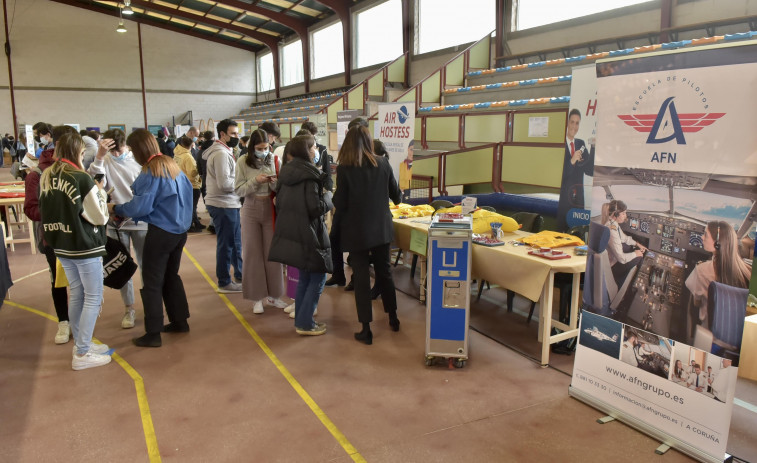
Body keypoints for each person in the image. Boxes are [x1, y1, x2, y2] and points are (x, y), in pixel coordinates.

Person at [111, 129, 193, 347]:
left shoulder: (151, 171)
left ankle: (153, 333)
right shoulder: (171, 165)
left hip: (161, 232)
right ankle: (179, 320)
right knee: (171, 275)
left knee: (152, 281)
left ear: (137, 150)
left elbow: (140, 206)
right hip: (179, 231)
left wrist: (116, 207)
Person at [38, 131, 111, 370]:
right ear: (79, 152)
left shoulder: (47, 175)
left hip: (61, 244)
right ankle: (82, 352)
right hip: (84, 244)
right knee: (93, 297)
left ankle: (83, 343)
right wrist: (100, 191)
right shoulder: (80, 177)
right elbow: (98, 216)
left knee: (77, 294)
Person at [333, 126, 402, 345]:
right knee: (385, 272)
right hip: (381, 228)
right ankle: (393, 318)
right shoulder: (383, 163)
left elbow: (340, 203)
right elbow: (397, 196)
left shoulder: (345, 169)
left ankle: (366, 329)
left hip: (356, 230)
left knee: (361, 277)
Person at [269, 134, 333, 335]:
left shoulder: (287, 172)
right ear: (306, 150)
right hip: (309, 232)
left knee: (306, 275)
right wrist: (329, 197)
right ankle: (305, 323)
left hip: (293, 231)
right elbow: (315, 208)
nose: (316, 151)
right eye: (313, 148)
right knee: (318, 276)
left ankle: (301, 320)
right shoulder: (311, 175)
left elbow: (279, 203)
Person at [87, 128, 148, 329]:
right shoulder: (104, 160)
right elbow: (92, 180)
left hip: (139, 221)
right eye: (112, 151)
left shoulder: (138, 162)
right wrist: (100, 156)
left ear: (126, 146)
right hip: (115, 222)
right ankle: (129, 308)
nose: (116, 154)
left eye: (119, 150)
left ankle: (150, 305)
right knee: (121, 265)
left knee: (145, 265)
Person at [24, 125, 73, 344]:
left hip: (79, 237)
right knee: (58, 279)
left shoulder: (78, 169)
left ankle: (81, 323)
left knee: (83, 283)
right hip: (53, 237)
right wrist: (56, 209)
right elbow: (31, 209)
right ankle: (64, 321)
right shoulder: (37, 174)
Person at [234, 129, 286, 313]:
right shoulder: (242, 162)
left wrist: (272, 181)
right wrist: (255, 180)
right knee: (252, 253)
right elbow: (238, 190)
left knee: (273, 253)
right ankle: (256, 298)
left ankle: (275, 295)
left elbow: (279, 187)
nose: (263, 151)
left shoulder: (274, 159)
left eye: (266, 147)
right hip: (250, 207)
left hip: (270, 208)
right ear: (251, 148)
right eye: (259, 148)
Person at [325, 117, 370, 288]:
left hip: (361, 213)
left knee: (357, 247)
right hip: (345, 211)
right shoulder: (346, 160)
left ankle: (356, 279)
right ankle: (338, 274)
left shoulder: (374, 158)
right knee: (334, 239)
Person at [203, 119, 243, 292]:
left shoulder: (225, 151)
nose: (236, 136)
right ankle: (224, 281)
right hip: (223, 203)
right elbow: (224, 184)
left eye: (237, 133)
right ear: (222, 135)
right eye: (233, 134)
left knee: (234, 242)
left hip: (228, 203)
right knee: (227, 244)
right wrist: (243, 182)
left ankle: (240, 274)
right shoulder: (220, 154)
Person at [685, 221, 751, 326]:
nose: (702, 237)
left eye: (705, 234)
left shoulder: (702, 270)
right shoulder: (748, 270)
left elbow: (696, 303)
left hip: (710, 332)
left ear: (717, 243)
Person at [557, 108, 594, 231]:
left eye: (577, 123)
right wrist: (572, 161)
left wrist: (593, 148)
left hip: (578, 201)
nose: (574, 126)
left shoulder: (581, 144)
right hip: (563, 202)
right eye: (572, 122)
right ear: (567, 123)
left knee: (578, 235)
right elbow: (559, 175)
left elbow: (589, 170)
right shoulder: (559, 144)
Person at [604, 200, 646, 287]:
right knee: (640, 256)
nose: (625, 216)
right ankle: (628, 286)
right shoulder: (612, 230)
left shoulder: (612, 223)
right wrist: (636, 253)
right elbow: (622, 259)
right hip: (613, 266)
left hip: (611, 258)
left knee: (629, 246)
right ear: (616, 214)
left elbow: (624, 238)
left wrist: (637, 244)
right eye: (623, 213)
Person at [173, 135, 204, 232]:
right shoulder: (188, 157)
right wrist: (200, 170)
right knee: (192, 206)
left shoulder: (177, 154)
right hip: (191, 184)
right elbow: (192, 172)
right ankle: (190, 225)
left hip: (182, 183)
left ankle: (196, 222)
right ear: (191, 145)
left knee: (189, 205)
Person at [300, 121, 333, 192]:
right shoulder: (298, 149)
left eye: (312, 135)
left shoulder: (322, 150)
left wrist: (328, 190)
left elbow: (327, 173)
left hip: (319, 189)